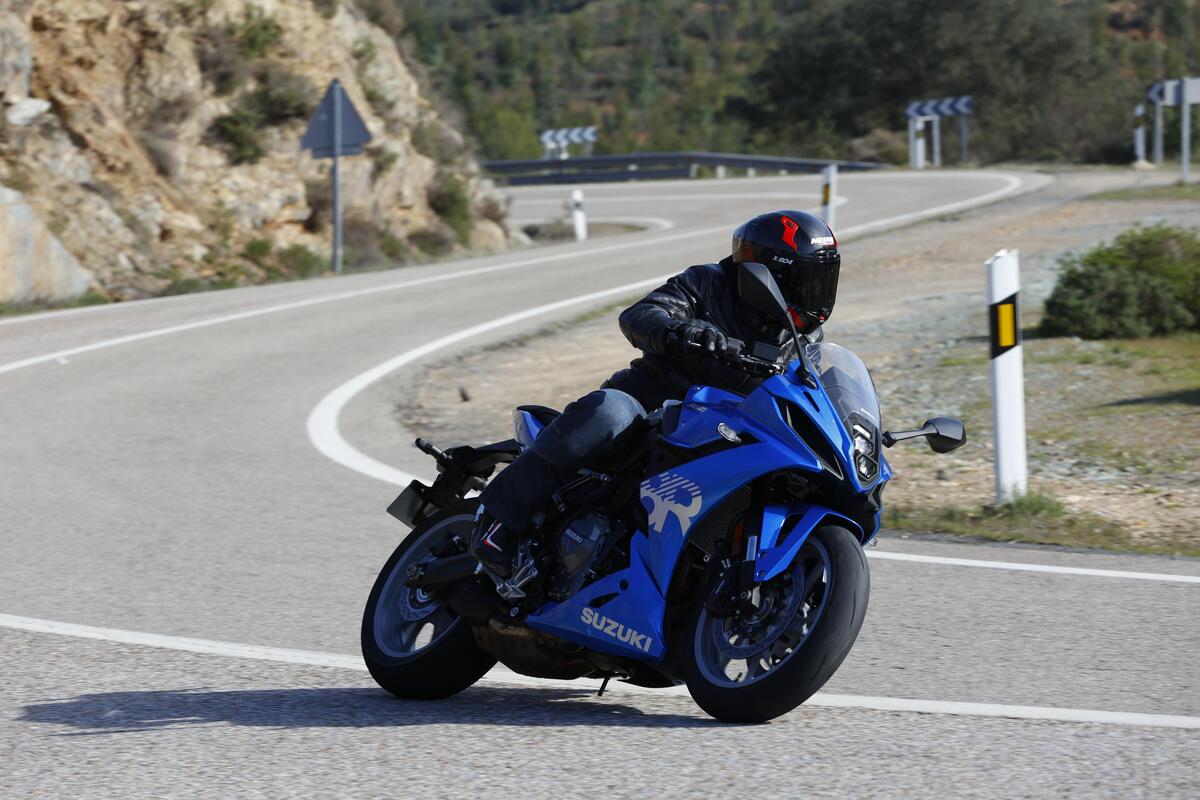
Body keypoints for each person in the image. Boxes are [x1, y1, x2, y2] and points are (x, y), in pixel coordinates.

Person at [470, 210, 842, 578]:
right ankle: (498, 517)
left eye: (821, 279)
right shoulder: (708, 283)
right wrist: (680, 331)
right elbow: (641, 314)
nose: (815, 294)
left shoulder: (802, 338)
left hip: (724, 429)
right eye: (805, 280)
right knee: (610, 414)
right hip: (653, 405)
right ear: (767, 276)